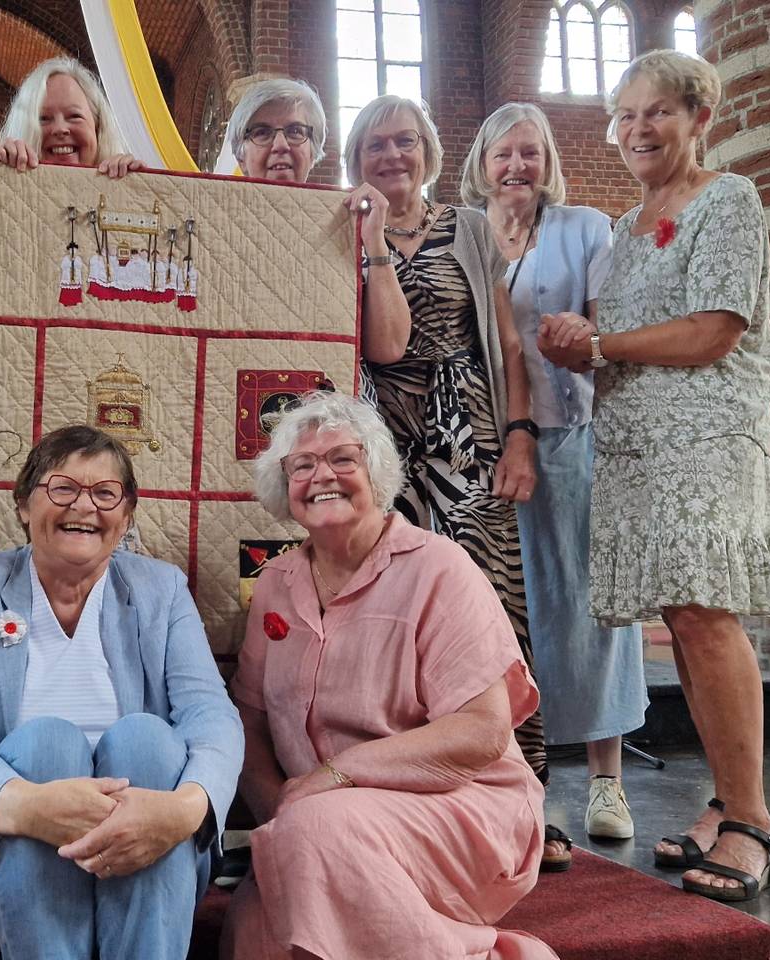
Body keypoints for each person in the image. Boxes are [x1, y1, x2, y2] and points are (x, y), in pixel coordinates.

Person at [540, 49, 770, 902]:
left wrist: (600, 344)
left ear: (698, 119)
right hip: (638, 448)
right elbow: (628, 333)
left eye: (657, 113)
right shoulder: (625, 225)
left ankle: (752, 824)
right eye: (625, 116)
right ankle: (720, 805)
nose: (637, 130)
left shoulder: (726, 200)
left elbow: (715, 330)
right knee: (686, 621)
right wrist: (576, 340)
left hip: (705, 441)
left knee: (705, 614)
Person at [220, 391, 556, 960]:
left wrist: (332, 779)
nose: (322, 475)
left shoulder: (439, 567)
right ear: (285, 487)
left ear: (375, 470)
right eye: (302, 465)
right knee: (255, 934)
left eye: (343, 459)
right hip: (319, 819)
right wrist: (283, 811)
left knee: (316, 837)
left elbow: (481, 732)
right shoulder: (275, 583)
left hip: (465, 808)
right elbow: (248, 724)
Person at [0, 424, 243, 960]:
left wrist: (186, 808)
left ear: (127, 515)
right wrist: (24, 805)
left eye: (105, 493)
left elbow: (211, 713)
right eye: (62, 487)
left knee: (147, 742)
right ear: (22, 504)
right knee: (46, 745)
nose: (84, 506)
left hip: (148, 867)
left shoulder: (163, 588)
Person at [337, 94, 560, 860]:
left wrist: (521, 438)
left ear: (430, 150)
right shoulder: (345, 227)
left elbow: (507, 342)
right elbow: (388, 346)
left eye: (405, 141)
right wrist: (370, 241)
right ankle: (422, 793)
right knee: (398, 616)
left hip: (468, 433)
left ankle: (524, 793)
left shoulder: (468, 226)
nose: (393, 155)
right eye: (376, 144)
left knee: (495, 611)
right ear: (357, 157)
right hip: (384, 447)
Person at [462, 102, 647, 844]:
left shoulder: (585, 228)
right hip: (484, 442)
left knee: (591, 604)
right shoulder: (466, 233)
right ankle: (517, 775)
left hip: (573, 437)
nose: (517, 167)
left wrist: (587, 340)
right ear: (481, 163)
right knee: (506, 607)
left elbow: (610, 337)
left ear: (548, 164)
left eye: (530, 154)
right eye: (504, 154)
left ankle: (607, 782)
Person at [0, 57, 141, 178]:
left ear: (98, 126)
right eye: (44, 118)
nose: (60, 129)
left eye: (74, 116)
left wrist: (136, 191)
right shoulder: (0, 187)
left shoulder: (125, 188)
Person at [224, 78, 327, 183]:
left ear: (312, 153)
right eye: (262, 132)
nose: (280, 145)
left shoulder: (338, 199)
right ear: (241, 159)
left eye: (295, 131)